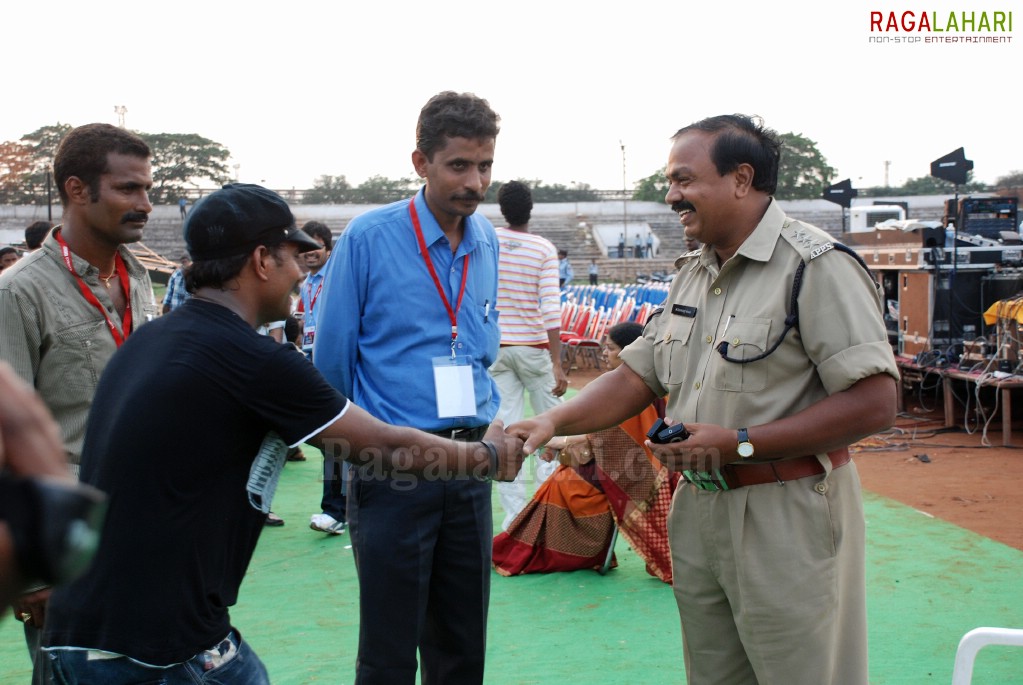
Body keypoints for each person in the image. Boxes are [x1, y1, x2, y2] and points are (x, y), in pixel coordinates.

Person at [38, 183, 523, 684]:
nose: (301, 273)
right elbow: (385, 447)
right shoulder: (253, 362)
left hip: (81, 633)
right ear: (262, 260)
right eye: (294, 257)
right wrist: (487, 457)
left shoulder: (155, 340)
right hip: (157, 647)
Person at [509, 114, 899, 685]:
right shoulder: (695, 272)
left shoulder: (816, 267)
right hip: (700, 510)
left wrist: (739, 443)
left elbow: (875, 403)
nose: (671, 196)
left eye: (684, 180)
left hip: (786, 511)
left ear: (741, 179)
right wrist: (549, 420)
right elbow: (638, 376)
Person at [314, 90, 502, 685]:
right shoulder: (370, 236)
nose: (475, 182)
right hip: (393, 464)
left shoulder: (486, 240)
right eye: (459, 165)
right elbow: (332, 360)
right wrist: (357, 451)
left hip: (470, 464)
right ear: (420, 162)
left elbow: (480, 349)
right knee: (389, 649)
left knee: (462, 643)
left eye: (486, 165)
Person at [0, 122, 159, 681]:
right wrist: (30, 573)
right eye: (128, 189)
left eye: (147, 188)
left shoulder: (138, 276)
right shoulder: (17, 292)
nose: (145, 203)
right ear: (75, 189)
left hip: (142, 524)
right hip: (66, 541)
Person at [493, 322, 678, 582]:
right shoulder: (619, 387)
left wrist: (561, 443)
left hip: (637, 473)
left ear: (629, 353)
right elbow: (603, 437)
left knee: (566, 483)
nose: (604, 353)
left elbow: (617, 442)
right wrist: (562, 443)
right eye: (603, 347)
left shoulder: (636, 392)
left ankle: (554, 552)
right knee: (563, 474)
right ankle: (534, 549)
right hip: (620, 463)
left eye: (610, 348)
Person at [489, 180, 568, 530]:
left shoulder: (488, 240)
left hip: (497, 348)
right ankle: (548, 515)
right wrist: (557, 360)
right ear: (531, 208)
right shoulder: (543, 248)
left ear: (501, 208)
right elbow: (551, 306)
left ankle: (514, 521)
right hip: (534, 348)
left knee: (506, 433)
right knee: (550, 429)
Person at [296, 220, 348, 535]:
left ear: (328, 247)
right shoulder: (308, 283)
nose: (310, 253)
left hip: (334, 362)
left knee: (334, 438)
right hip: (312, 359)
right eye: (305, 247)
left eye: (316, 245)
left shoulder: (338, 277)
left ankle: (336, 510)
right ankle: (340, 507)